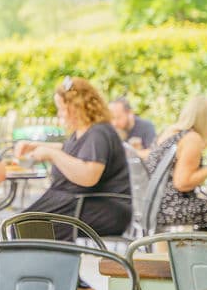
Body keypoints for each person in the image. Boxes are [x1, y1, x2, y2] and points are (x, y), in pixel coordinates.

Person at [15, 76, 132, 240]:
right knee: (22, 226)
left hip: (101, 208)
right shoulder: (85, 131)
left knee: (29, 228)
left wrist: (52, 155)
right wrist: (36, 146)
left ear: (77, 107)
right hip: (79, 203)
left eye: (62, 109)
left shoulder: (98, 133)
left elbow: (89, 175)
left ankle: (48, 265)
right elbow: (73, 153)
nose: (59, 114)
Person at [145, 95, 207, 231]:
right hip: (172, 208)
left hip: (154, 206)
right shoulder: (192, 139)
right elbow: (182, 183)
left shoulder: (170, 132)